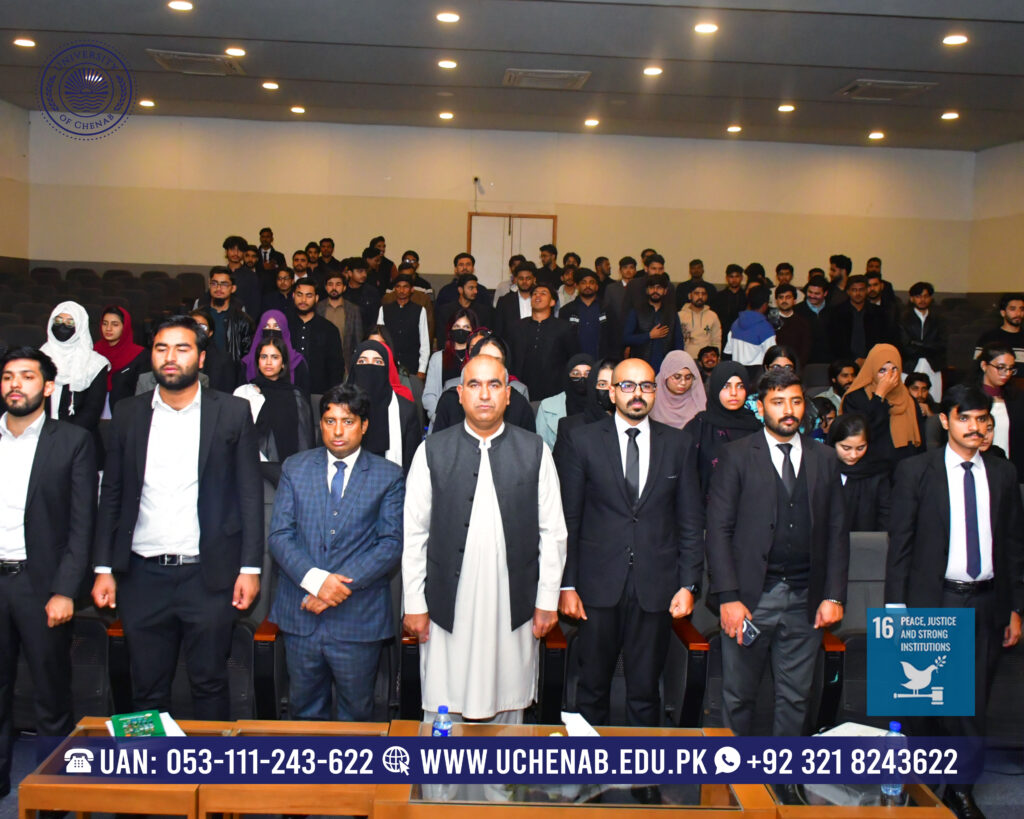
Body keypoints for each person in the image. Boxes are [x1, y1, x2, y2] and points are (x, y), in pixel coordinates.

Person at [91, 316, 263, 719]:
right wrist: (103, 568)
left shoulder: (232, 412)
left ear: (201, 358)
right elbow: (112, 494)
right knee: (146, 689)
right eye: (161, 348)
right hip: (141, 575)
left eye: (182, 348)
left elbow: (250, 495)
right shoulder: (128, 414)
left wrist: (250, 568)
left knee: (209, 683)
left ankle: (209, 761)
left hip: (209, 576)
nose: (170, 357)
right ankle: (152, 762)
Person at [403, 353, 567, 724]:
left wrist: (546, 601)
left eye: (494, 384)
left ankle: (501, 766)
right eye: (474, 385)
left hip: (513, 605)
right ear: (460, 394)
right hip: (446, 605)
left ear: (508, 395)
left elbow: (553, 532)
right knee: (444, 708)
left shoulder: (536, 450)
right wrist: (414, 602)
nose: (484, 394)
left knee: (507, 706)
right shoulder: (431, 450)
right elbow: (414, 534)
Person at [885, 383, 1024, 819]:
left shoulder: (1003, 473)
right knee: (921, 703)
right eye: (965, 418)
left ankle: (961, 792)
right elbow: (900, 544)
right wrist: (895, 609)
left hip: (986, 603)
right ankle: (923, 791)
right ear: (945, 421)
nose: (975, 427)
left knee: (972, 705)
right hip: (933, 600)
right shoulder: (915, 471)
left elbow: (1013, 545)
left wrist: (1015, 607)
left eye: (982, 419)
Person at [558, 358, 704, 730]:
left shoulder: (679, 444)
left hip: (657, 588)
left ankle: (642, 764)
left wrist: (688, 585)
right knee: (592, 688)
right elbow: (569, 519)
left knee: (645, 691)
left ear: (655, 391)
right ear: (611, 392)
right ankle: (588, 762)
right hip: (596, 587)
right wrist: (567, 585)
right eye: (627, 385)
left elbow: (690, 521)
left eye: (646, 386)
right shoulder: (582, 441)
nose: (637, 394)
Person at [706, 368, 848, 741]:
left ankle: (785, 773)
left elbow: (837, 532)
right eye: (778, 402)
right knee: (738, 698)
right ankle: (733, 773)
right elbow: (718, 531)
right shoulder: (736, 456)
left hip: (806, 599)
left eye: (796, 402)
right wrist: (729, 597)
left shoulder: (825, 458)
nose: (788, 410)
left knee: (796, 700)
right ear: (760, 407)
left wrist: (833, 595)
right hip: (750, 600)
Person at [267, 383, 404, 721]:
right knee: (303, 714)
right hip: (302, 614)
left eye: (348, 421)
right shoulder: (295, 468)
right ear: (320, 424)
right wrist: (317, 583)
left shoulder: (388, 475)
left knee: (356, 718)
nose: (338, 431)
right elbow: (280, 536)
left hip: (358, 619)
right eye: (330, 421)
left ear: (364, 425)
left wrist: (332, 589)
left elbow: (390, 544)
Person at [0, 347, 97, 800]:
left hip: (41, 587)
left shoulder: (72, 440)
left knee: (50, 697)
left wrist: (65, 591)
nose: (15, 385)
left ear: (49, 386)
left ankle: (54, 795)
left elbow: (82, 525)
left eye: (27, 376)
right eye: (8, 377)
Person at [234, 336, 317, 465]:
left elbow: (305, 440)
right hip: (254, 464)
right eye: (263, 357)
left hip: (292, 467)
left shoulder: (296, 396)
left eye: (274, 357)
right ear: (257, 362)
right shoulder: (245, 392)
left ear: (283, 363)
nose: (268, 362)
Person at [40, 301, 109, 457]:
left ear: (80, 327)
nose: (63, 326)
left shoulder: (95, 364)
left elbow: (92, 411)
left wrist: (62, 438)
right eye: (58, 321)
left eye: (70, 322)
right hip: (42, 439)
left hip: (80, 443)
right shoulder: (39, 358)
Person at [685, 362, 763, 498]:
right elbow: (686, 480)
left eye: (740, 386)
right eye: (726, 386)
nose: (734, 393)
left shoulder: (756, 428)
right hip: (707, 507)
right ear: (715, 388)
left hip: (751, 506)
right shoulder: (698, 428)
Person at [431, 335, 536, 435]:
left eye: (496, 360)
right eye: (483, 359)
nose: (488, 365)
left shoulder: (520, 405)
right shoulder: (450, 400)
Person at [840, 343, 923, 466]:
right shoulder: (855, 397)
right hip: (870, 467)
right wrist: (879, 395)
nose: (889, 376)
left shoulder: (908, 398)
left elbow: (920, 442)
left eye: (894, 369)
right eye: (882, 370)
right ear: (872, 370)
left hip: (904, 467)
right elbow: (861, 432)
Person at [347, 341, 420, 472]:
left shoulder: (405, 410)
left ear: (387, 369)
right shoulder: (336, 409)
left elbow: (412, 465)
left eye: (377, 362)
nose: (370, 367)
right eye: (362, 361)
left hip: (389, 481)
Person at [508, 283, 580, 402]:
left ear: (552, 302)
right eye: (534, 294)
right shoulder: (517, 327)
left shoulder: (564, 327)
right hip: (522, 390)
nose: (537, 296)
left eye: (543, 293)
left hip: (554, 390)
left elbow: (573, 358)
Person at [828, 412, 890, 531]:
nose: (853, 455)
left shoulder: (877, 472)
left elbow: (885, 515)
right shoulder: (823, 469)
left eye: (861, 448)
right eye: (846, 448)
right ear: (833, 443)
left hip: (867, 540)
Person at [552, 358, 617, 470]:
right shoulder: (570, 427)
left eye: (614, 385)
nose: (609, 390)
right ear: (592, 387)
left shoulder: (631, 426)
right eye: (602, 384)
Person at [288, 278, 345, 394]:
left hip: (318, 393)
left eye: (309, 296)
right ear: (293, 296)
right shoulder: (284, 325)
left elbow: (336, 367)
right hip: (286, 390)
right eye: (299, 295)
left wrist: (331, 396)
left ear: (316, 298)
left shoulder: (329, 329)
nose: (303, 300)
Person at [975, 342, 1024, 478]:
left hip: (1009, 470)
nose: (1006, 373)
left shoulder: (1017, 398)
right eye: (1001, 368)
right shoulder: (969, 396)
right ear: (984, 365)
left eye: (1010, 369)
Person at [423, 309, 478, 421]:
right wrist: (438, 418)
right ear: (450, 329)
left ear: (473, 331)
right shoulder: (438, 358)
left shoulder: (479, 358)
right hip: (443, 419)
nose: (461, 330)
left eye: (466, 327)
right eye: (457, 326)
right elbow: (429, 395)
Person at [623, 273, 684, 371]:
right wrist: (649, 335)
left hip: (666, 365)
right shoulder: (637, 311)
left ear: (665, 291)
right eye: (652, 288)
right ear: (647, 290)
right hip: (641, 365)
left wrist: (678, 363)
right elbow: (626, 338)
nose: (655, 291)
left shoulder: (672, 313)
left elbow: (678, 342)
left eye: (659, 288)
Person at [827, 275, 893, 366]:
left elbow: (883, 340)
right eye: (854, 290)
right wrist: (854, 359)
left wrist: (869, 359)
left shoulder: (878, 313)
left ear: (867, 290)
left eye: (861, 290)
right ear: (848, 292)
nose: (858, 293)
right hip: (844, 363)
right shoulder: (837, 313)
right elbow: (835, 342)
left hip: (873, 361)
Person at [194, 267, 255, 364]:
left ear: (233, 288)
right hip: (203, 367)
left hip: (231, 369)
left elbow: (246, 353)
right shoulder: (198, 316)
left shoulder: (243, 320)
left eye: (224, 284)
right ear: (209, 285)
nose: (218, 288)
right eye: (214, 283)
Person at [241, 310, 311, 394]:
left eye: (277, 326)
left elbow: (304, 397)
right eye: (266, 326)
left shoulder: (297, 362)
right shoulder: (247, 362)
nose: (271, 331)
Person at [94, 305, 147, 415]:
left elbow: (143, 394)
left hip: (126, 414)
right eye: (105, 323)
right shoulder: (94, 352)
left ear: (124, 327)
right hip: (95, 413)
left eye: (115, 324)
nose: (108, 328)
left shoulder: (139, 355)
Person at [376, 273, 429, 380]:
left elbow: (424, 341)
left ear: (412, 289)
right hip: (389, 363)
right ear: (394, 289)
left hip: (412, 365)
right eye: (398, 287)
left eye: (405, 287)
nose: (401, 290)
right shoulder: (384, 309)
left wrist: (422, 369)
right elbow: (379, 339)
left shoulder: (419, 310)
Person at [899, 281, 946, 401]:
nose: (922, 300)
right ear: (912, 298)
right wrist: (928, 346)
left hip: (933, 365)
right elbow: (905, 345)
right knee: (906, 401)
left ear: (931, 298)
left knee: (934, 400)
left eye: (926, 296)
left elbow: (941, 345)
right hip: (910, 365)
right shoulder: (903, 318)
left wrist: (917, 344)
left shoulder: (939, 319)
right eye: (918, 296)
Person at [535, 354, 593, 449]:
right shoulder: (547, 407)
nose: (582, 378)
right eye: (576, 373)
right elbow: (540, 448)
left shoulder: (602, 406)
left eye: (588, 374)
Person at [560, 269, 616, 360]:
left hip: (602, 361)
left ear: (597, 287)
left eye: (591, 282)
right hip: (575, 361)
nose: (588, 286)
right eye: (583, 282)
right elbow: (562, 340)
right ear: (577, 286)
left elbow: (614, 337)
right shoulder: (566, 310)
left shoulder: (607, 309)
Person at [316, 269, 364, 368]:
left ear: (344, 287)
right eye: (330, 284)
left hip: (346, 363)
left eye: (338, 284)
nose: (334, 288)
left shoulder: (353, 310)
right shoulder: (317, 308)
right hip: (321, 363)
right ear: (325, 287)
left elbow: (358, 340)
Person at [649, 350, 706, 430]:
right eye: (677, 377)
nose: (683, 382)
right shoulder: (650, 403)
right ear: (665, 375)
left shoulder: (699, 403)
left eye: (688, 377)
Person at [186, 308, 239, 393]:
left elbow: (226, 393)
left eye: (202, 326)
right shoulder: (175, 356)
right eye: (192, 325)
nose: (196, 330)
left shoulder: (223, 359)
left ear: (210, 333)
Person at [435, 274, 492, 350]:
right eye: (471, 288)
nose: (475, 291)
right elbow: (442, 337)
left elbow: (485, 337)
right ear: (460, 290)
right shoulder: (446, 310)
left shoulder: (483, 311)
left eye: (476, 288)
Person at [975, 293, 1024, 377]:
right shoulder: (988, 337)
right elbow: (978, 368)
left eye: (1022, 309)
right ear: (1003, 313)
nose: (1018, 313)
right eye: (1012, 309)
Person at [678, 283, 722, 360]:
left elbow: (716, 341)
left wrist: (716, 358)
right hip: (686, 359)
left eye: (703, 294)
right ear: (690, 296)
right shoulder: (680, 316)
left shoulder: (713, 316)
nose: (700, 297)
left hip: (706, 360)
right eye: (697, 293)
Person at [493, 262, 536, 339]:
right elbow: (498, 331)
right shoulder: (504, 302)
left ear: (534, 279)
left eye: (528, 278)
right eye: (521, 278)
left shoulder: (540, 300)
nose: (524, 282)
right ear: (516, 279)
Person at [795, 275, 832, 364]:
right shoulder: (797, 311)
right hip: (804, 362)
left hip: (828, 361)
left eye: (817, 293)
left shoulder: (833, 311)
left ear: (825, 293)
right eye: (810, 292)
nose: (812, 296)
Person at [222, 235, 261, 318]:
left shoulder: (251, 276)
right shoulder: (220, 274)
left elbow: (255, 306)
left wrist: (248, 323)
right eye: (232, 249)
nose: (236, 253)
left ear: (243, 253)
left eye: (239, 250)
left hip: (243, 320)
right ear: (226, 252)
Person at [773, 284, 812, 368]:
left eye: (788, 297)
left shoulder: (802, 323)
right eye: (781, 297)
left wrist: (796, 366)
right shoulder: (770, 322)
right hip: (774, 367)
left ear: (794, 300)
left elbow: (805, 350)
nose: (784, 300)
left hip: (796, 367)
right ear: (776, 301)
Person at [342, 257, 382, 333]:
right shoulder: (342, 291)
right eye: (360, 271)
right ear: (350, 273)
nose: (364, 275)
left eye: (365, 271)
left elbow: (376, 318)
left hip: (366, 334)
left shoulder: (372, 292)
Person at [712, 264, 747, 337]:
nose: (734, 280)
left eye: (737, 276)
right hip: (722, 334)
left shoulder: (746, 297)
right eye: (731, 276)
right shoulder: (719, 297)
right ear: (727, 278)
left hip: (742, 334)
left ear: (741, 278)